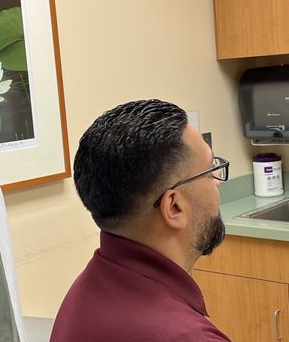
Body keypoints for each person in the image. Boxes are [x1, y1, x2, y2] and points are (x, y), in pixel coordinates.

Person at [51, 99, 231, 342]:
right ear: (174, 206)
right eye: (209, 172)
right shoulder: (187, 335)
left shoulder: (83, 293)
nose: (218, 181)